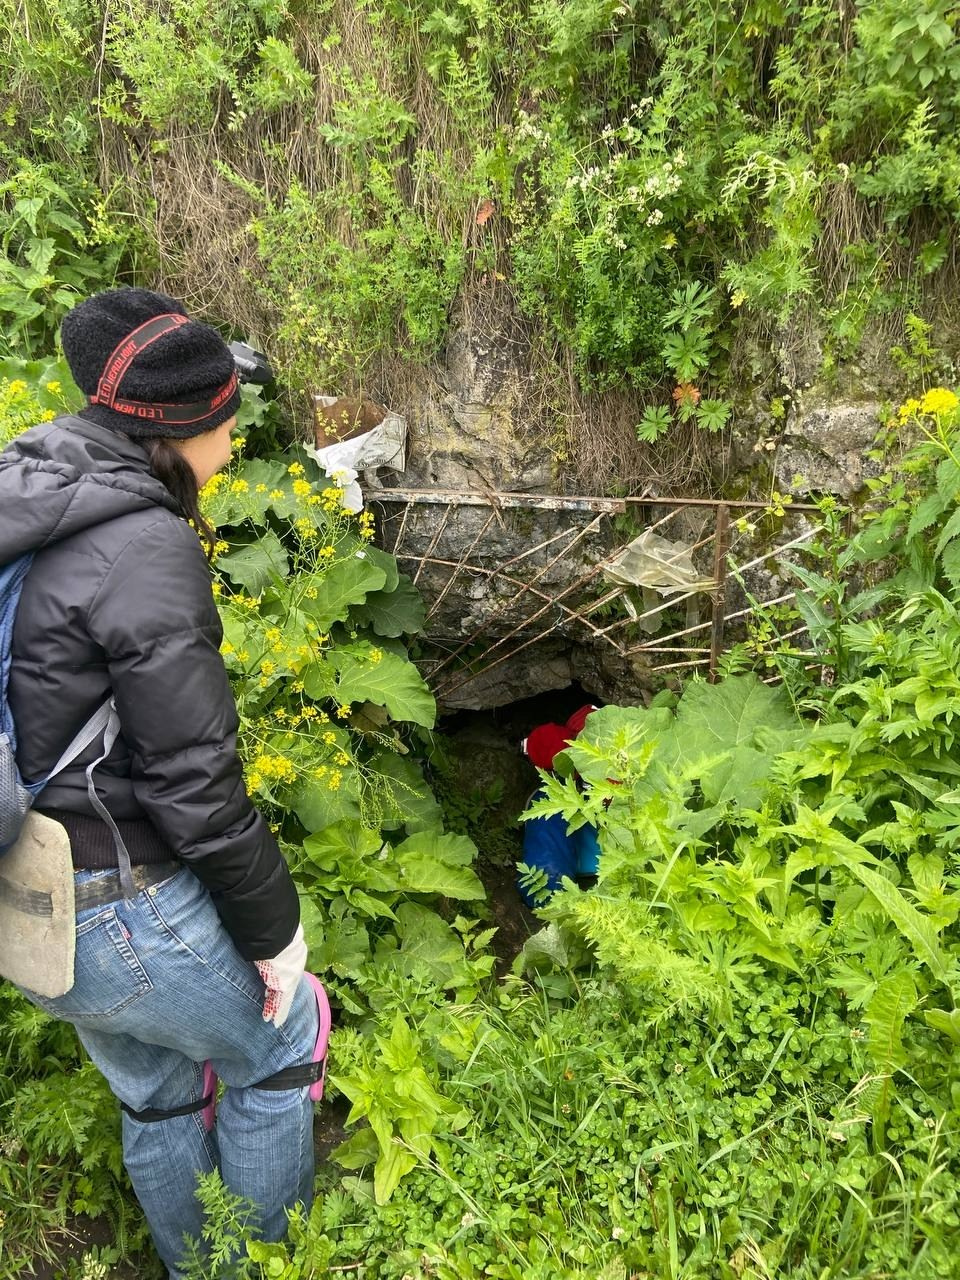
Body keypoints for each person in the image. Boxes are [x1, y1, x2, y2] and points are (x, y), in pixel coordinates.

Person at [0, 289, 320, 1278]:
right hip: (114, 904)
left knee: (160, 1083)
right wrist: (276, 933)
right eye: (230, 415)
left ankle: (198, 1265)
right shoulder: (145, 547)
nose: (236, 434)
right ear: (182, 427)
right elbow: (195, 784)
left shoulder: (33, 480)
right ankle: (250, 1269)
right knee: (283, 1038)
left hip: (28, 895)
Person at [517, 704, 601, 907]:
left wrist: (550, 902)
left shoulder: (548, 802)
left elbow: (546, 872)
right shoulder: (589, 722)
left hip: (588, 878)